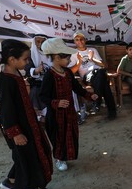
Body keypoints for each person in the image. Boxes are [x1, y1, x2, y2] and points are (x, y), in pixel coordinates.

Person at [0, 39, 53, 189]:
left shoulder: (14, 73)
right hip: (18, 127)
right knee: (28, 156)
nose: (27, 62)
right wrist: (15, 133)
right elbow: (6, 109)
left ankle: (11, 181)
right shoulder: (5, 79)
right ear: (12, 60)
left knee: (23, 155)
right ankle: (29, 186)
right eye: (25, 59)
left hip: (27, 123)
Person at [40, 38, 98, 172]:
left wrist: (89, 95)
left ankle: (66, 155)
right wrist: (56, 102)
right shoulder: (49, 75)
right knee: (58, 137)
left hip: (70, 112)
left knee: (69, 135)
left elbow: (77, 88)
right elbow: (43, 96)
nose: (68, 60)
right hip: (55, 115)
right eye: (66, 57)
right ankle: (59, 158)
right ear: (56, 57)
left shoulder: (67, 73)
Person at [69, 31, 117, 119]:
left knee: (102, 75)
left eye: (81, 39)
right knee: (103, 80)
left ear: (85, 40)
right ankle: (111, 110)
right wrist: (79, 63)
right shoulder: (74, 53)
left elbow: (104, 65)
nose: (80, 41)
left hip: (99, 74)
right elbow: (70, 71)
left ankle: (97, 103)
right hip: (87, 76)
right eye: (77, 40)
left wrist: (92, 59)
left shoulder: (92, 50)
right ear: (74, 42)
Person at [25, 34, 51, 121]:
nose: (40, 44)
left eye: (43, 42)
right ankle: (40, 115)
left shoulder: (50, 53)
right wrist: (37, 70)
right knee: (36, 91)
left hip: (50, 81)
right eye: (38, 42)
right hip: (37, 82)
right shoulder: (29, 54)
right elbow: (27, 69)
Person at [117, 41, 132, 107]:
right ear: (127, 51)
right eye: (130, 50)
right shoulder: (124, 59)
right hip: (126, 75)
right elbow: (118, 71)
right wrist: (130, 75)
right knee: (131, 81)